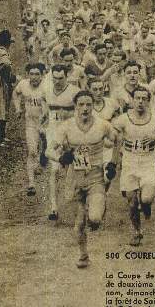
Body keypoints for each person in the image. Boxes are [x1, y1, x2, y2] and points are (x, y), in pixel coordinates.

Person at [46, 90, 116, 268]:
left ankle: (98, 208)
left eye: (88, 104)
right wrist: (60, 158)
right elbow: (48, 151)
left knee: (95, 218)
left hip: (95, 177)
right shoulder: (66, 127)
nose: (85, 108)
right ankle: (83, 255)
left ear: (93, 106)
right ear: (75, 107)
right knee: (78, 224)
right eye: (81, 105)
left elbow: (119, 139)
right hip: (74, 179)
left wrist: (113, 163)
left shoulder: (103, 125)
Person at [113, 87, 155, 246]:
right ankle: (137, 232)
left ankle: (146, 207)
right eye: (137, 98)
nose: (140, 102)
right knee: (132, 202)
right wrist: (114, 160)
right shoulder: (123, 119)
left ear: (148, 101)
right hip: (129, 161)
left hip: (147, 161)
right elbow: (113, 139)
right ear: (132, 100)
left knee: (146, 199)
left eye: (144, 99)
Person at [42, 65, 80, 220]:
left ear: (66, 76)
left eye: (60, 78)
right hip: (54, 132)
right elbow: (45, 105)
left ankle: (74, 199)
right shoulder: (47, 90)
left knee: (73, 167)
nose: (57, 81)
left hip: (71, 133)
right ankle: (53, 207)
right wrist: (44, 119)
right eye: (54, 78)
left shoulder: (74, 92)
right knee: (54, 169)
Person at [13, 63, 46, 196]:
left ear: (42, 75)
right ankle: (31, 183)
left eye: (37, 74)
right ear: (28, 75)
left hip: (46, 123)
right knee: (31, 150)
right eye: (31, 74)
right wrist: (17, 108)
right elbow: (15, 94)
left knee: (46, 149)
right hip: (31, 122)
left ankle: (42, 156)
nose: (34, 77)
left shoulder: (47, 86)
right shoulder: (23, 84)